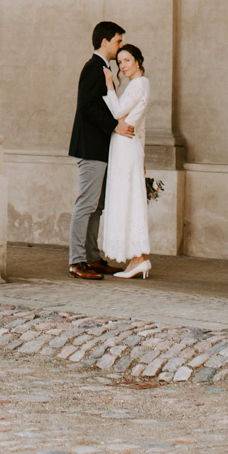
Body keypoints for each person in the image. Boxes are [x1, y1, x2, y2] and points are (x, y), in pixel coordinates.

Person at [66, 20, 130, 279]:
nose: (120, 46)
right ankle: (77, 261)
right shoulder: (93, 68)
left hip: (101, 148)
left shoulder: (104, 68)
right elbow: (86, 107)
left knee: (97, 206)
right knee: (87, 204)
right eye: (118, 41)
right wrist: (116, 126)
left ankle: (92, 258)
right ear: (104, 42)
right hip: (90, 147)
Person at [99, 43, 152, 278]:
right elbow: (140, 127)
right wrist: (142, 156)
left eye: (127, 60)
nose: (122, 66)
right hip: (128, 146)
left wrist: (109, 86)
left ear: (138, 60)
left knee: (127, 198)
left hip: (125, 147)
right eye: (120, 62)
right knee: (130, 198)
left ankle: (139, 257)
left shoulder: (138, 84)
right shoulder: (140, 84)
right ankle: (137, 258)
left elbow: (118, 112)